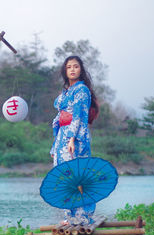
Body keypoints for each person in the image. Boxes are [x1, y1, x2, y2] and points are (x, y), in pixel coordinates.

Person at [50, 55, 99, 225]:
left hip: (76, 137)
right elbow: (59, 117)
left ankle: (83, 215)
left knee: (79, 175)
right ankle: (69, 215)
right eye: (69, 66)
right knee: (64, 176)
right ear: (65, 70)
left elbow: (79, 115)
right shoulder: (65, 92)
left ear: (81, 70)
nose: (72, 69)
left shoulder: (82, 90)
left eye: (76, 66)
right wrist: (55, 146)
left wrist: (72, 138)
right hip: (62, 136)